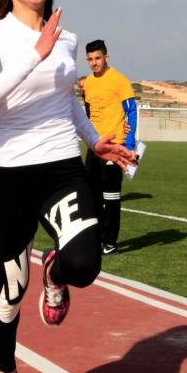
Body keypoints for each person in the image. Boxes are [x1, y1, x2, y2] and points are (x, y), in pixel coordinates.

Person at [0, 0, 135, 373]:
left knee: (85, 264)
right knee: (9, 295)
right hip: (11, 175)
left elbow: (67, 102)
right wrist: (32, 56)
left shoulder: (65, 37)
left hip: (62, 164)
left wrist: (94, 140)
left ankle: (57, 271)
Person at [80, 39, 137, 256]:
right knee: (92, 195)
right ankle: (97, 238)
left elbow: (132, 112)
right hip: (95, 147)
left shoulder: (119, 81)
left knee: (110, 196)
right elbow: (88, 114)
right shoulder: (88, 84)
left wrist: (129, 145)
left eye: (97, 58)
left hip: (115, 146)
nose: (94, 63)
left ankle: (110, 242)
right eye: (90, 59)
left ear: (106, 57)